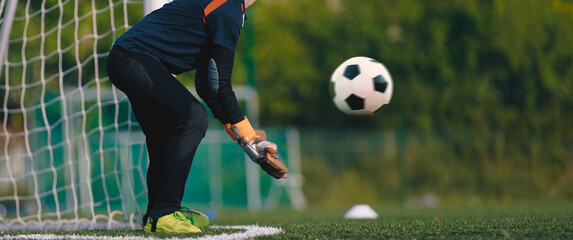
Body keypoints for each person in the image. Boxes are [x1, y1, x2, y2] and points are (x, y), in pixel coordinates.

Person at [106, 0, 288, 234]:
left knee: (166, 132)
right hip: (132, 59)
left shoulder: (231, 10)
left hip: (129, 60)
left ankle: (156, 213)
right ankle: (165, 212)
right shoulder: (228, 9)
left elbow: (207, 86)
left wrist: (246, 139)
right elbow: (220, 85)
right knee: (193, 117)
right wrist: (249, 138)